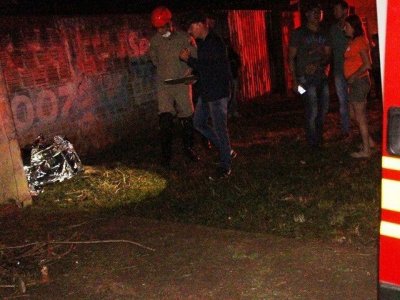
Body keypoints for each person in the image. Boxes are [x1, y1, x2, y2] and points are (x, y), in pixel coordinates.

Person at [179, 11, 236, 180]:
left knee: (220, 129)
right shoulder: (203, 43)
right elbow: (207, 67)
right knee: (198, 122)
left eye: (191, 29)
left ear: (199, 25)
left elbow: (208, 68)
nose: (190, 33)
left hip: (217, 93)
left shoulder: (214, 42)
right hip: (207, 91)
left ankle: (225, 166)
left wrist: (188, 59)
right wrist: (193, 76)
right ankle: (226, 150)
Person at [149, 6, 199, 169]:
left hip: (182, 84)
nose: (160, 30)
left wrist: (190, 72)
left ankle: (189, 148)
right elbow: (155, 60)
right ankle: (166, 156)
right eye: (157, 28)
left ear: (170, 23)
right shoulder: (155, 41)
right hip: (165, 84)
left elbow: (195, 57)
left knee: (187, 117)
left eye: (162, 26)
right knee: (165, 119)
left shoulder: (184, 38)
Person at [288, 1, 331, 149]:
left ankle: (318, 136)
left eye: (319, 12)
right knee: (311, 108)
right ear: (307, 14)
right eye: (314, 12)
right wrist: (294, 80)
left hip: (321, 77)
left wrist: (320, 64)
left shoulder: (324, 32)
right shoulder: (298, 33)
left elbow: (327, 55)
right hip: (304, 79)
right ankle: (313, 142)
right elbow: (291, 57)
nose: (317, 15)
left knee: (323, 109)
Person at [343, 14, 376, 158]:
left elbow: (367, 64)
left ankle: (367, 150)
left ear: (353, 27)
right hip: (355, 83)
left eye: (347, 26)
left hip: (359, 82)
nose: (345, 28)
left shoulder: (360, 41)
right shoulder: (353, 42)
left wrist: (353, 76)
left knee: (360, 116)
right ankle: (369, 142)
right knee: (352, 114)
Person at [330, 0, 350, 138]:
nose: (335, 12)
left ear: (345, 11)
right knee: (342, 100)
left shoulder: (352, 26)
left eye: (337, 9)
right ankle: (345, 129)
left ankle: (360, 126)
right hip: (338, 69)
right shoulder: (333, 29)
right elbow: (330, 50)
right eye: (334, 10)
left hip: (353, 69)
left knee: (354, 100)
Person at [370, 33, 382, 100]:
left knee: (378, 82)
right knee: (377, 82)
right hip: (376, 67)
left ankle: (379, 96)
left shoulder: (376, 49)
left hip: (377, 67)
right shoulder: (375, 49)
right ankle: (379, 95)